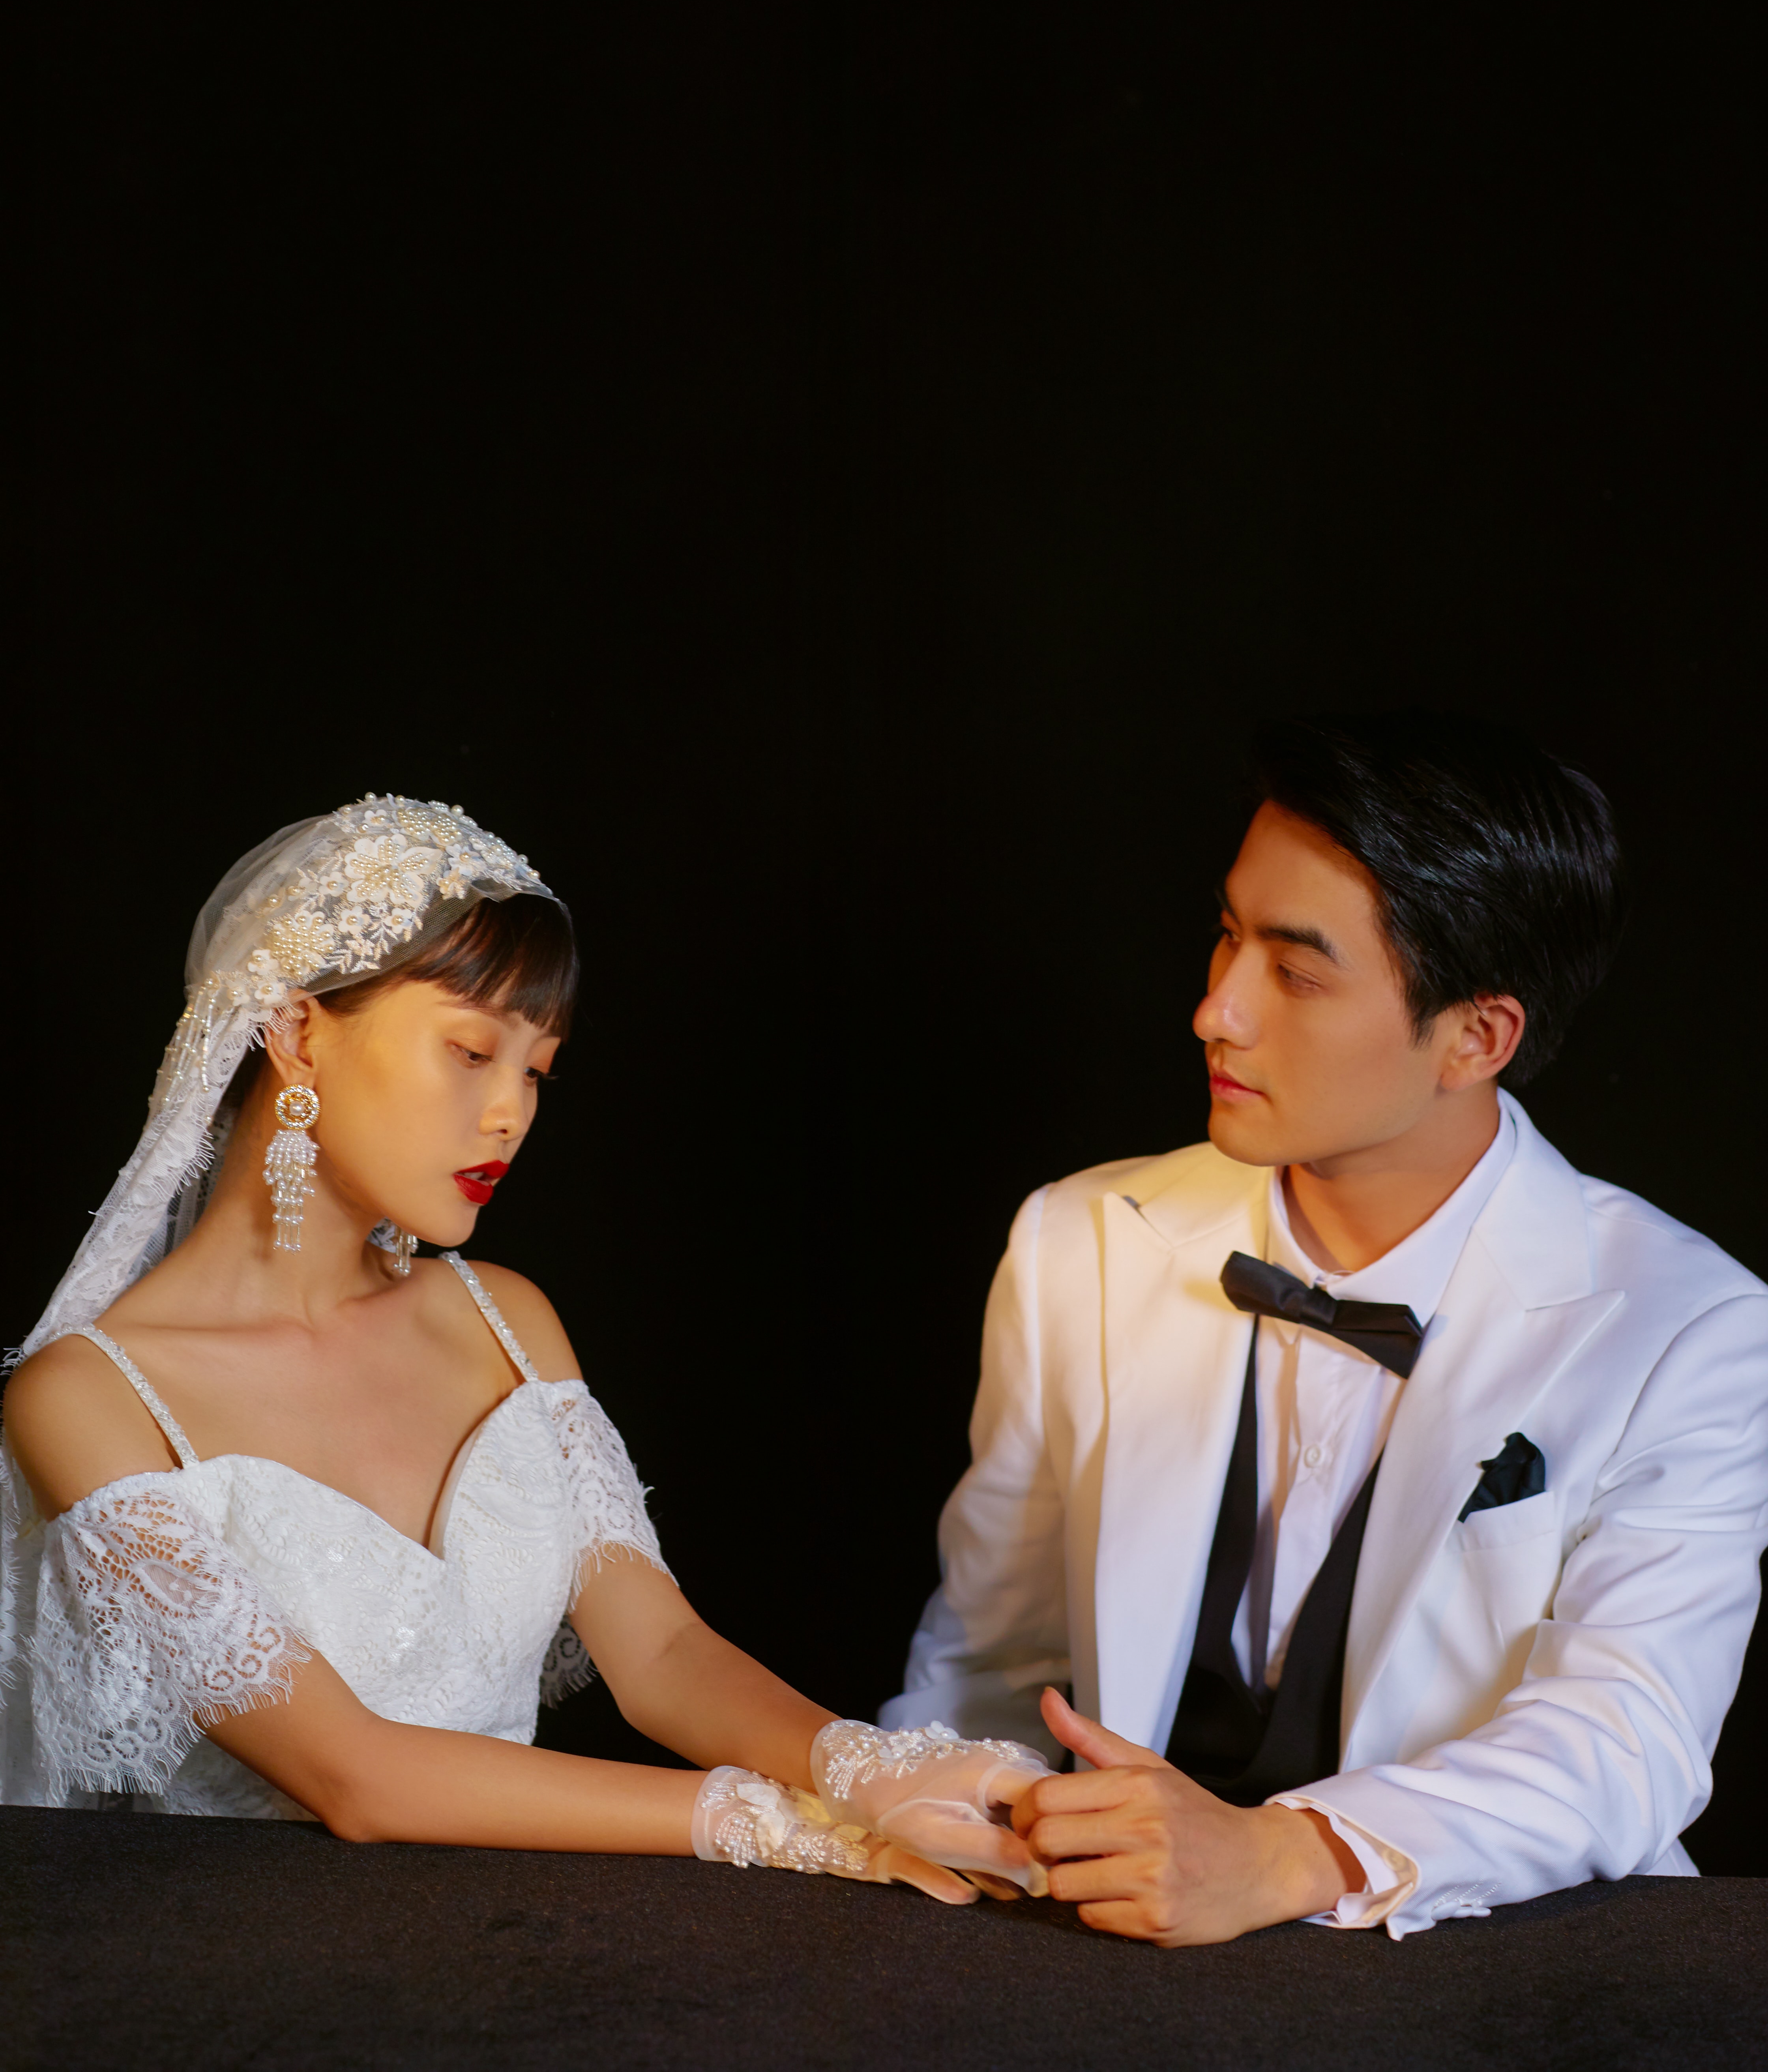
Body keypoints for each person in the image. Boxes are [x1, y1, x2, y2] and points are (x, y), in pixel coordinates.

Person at [2, 795, 1049, 1894]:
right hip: (244, 1959)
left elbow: (660, 1655)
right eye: (471, 1052)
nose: (511, 1113)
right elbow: (355, 1776)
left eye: (538, 1070)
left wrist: (873, 1768)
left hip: (523, 1946)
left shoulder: (505, 1321)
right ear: (297, 1031)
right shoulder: (90, 1397)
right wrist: (784, 1824)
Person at [882, 712, 1768, 1944]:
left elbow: (1629, 1736)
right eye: (1227, 935)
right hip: (1110, 1961)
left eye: (1296, 974)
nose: (1218, 1011)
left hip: (1511, 1967)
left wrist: (1283, 1856)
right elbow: (988, 1664)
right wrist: (952, 1857)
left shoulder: (1696, 1329)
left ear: (1478, 1037)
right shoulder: (1078, 1240)